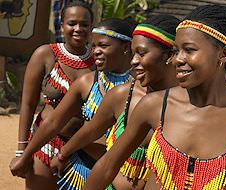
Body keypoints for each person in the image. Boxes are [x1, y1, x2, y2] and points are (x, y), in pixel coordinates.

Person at [82, 5, 226, 190]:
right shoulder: (155, 106)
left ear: (223, 54)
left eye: (189, 50)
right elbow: (108, 166)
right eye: (176, 51)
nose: (178, 60)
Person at [49, 15, 180, 190]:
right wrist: (62, 155)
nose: (133, 61)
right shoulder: (123, 95)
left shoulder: (188, 107)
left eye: (141, 53)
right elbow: (91, 131)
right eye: (134, 54)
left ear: (170, 55)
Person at [9, 16, 134, 189]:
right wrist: (24, 154)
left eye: (103, 46)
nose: (96, 51)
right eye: (94, 46)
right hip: (80, 166)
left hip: (124, 171)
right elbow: (53, 122)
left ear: (126, 48)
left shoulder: (141, 86)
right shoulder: (88, 82)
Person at [8, 1, 95, 189]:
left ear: (91, 27)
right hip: (45, 145)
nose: (78, 29)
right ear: (62, 25)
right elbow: (28, 105)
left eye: (84, 24)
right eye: (72, 23)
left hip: (85, 149)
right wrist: (22, 151)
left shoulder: (99, 60)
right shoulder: (45, 55)